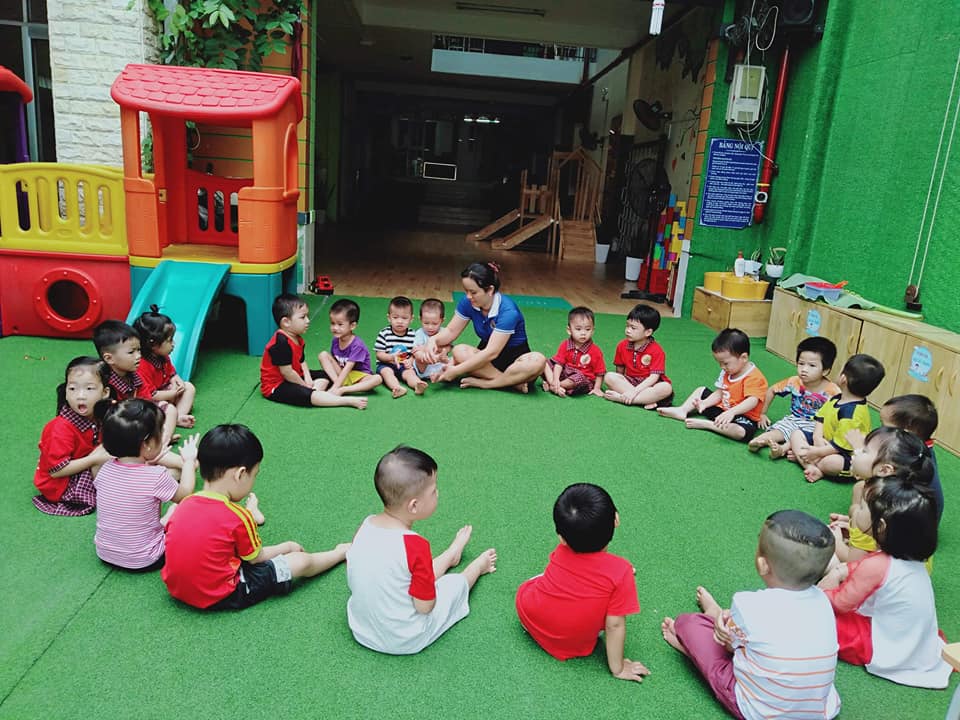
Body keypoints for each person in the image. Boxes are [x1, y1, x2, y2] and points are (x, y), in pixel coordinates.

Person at [661, 510, 840, 720]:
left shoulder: (748, 604)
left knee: (688, 624)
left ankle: (698, 644)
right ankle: (721, 619)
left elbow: (728, 647)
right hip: (820, 711)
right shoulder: (823, 600)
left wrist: (722, 628)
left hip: (760, 711)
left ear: (763, 564)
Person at [162, 424, 350, 609]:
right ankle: (338, 553)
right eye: (254, 475)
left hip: (177, 589)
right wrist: (288, 546)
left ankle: (255, 519)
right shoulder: (237, 516)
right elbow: (256, 558)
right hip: (223, 594)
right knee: (301, 562)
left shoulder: (184, 503)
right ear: (241, 474)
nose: (253, 481)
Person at [346, 446, 497, 655]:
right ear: (414, 506)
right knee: (451, 585)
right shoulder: (414, 546)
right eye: (433, 491)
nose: (438, 493)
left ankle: (450, 555)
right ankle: (477, 567)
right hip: (404, 639)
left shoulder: (365, 526)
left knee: (411, 575)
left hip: (362, 629)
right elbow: (424, 607)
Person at [819, 474, 950, 688]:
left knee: (823, 619)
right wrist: (844, 570)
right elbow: (863, 569)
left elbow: (841, 603)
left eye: (862, 508)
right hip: (914, 641)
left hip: (883, 646)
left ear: (880, 526)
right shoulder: (910, 559)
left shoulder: (877, 564)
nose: (855, 510)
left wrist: (822, 592)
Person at [515, 483, 649, 682]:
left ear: (561, 538)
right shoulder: (621, 571)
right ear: (616, 519)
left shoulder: (561, 551)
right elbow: (614, 625)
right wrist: (618, 668)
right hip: (572, 642)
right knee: (605, 599)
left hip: (527, 616)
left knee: (542, 579)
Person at [93, 399, 197, 571]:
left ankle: (165, 520)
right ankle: (167, 521)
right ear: (147, 444)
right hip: (146, 558)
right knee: (188, 517)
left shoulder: (105, 469)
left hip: (105, 552)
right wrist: (188, 462)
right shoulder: (156, 476)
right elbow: (185, 495)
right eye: (161, 432)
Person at [416, 262, 546, 392]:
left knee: (538, 361)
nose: (468, 296)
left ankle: (487, 384)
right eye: (466, 291)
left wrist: (455, 371)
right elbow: (450, 331)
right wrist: (433, 340)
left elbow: (492, 352)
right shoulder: (467, 302)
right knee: (459, 351)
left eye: (473, 292)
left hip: (514, 360)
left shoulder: (508, 312)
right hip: (486, 361)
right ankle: (510, 383)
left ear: (490, 290)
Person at [828, 427, 934, 566]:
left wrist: (834, 540)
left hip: (882, 576)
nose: (856, 452)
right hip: (908, 573)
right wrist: (852, 524)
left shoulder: (872, 506)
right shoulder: (900, 501)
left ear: (884, 470)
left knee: (824, 554)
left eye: (864, 451)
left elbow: (853, 564)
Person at [32, 356, 112, 516]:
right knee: (106, 453)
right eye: (73, 388)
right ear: (66, 392)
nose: (80, 395)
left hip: (82, 466)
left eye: (89, 389)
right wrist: (95, 459)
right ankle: (109, 496)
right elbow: (56, 471)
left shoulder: (100, 414)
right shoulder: (59, 428)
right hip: (60, 484)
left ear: (105, 392)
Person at [658, 328, 768, 442]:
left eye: (725, 363)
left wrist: (732, 412)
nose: (722, 367)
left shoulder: (754, 377)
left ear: (743, 358)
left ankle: (709, 425)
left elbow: (752, 401)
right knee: (701, 390)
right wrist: (705, 403)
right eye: (719, 363)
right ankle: (683, 410)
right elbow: (720, 392)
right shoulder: (728, 371)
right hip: (723, 410)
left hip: (742, 416)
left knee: (741, 432)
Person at [260, 293, 366, 410]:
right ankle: (343, 400)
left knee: (325, 374)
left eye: (307, 316)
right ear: (286, 322)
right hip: (277, 385)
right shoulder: (281, 342)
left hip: (296, 375)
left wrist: (308, 377)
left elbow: (302, 361)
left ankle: (319, 394)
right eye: (303, 317)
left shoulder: (297, 338)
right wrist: (304, 385)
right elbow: (287, 373)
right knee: (305, 394)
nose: (308, 320)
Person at [789, 353, 885, 482]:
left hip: (844, 453)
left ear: (843, 379)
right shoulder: (837, 397)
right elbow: (821, 417)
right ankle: (810, 465)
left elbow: (841, 447)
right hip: (826, 441)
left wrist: (817, 452)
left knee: (831, 462)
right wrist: (817, 437)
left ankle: (810, 462)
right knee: (796, 434)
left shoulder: (852, 414)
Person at [93, 319, 179, 452]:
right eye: (131, 352)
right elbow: (110, 420)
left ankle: (160, 442)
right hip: (119, 427)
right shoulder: (104, 384)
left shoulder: (135, 375)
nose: (138, 356)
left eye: (139, 350)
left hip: (137, 417)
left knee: (170, 410)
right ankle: (155, 445)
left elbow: (147, 402)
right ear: (109, 358)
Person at [748, 336, 839, 456]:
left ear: (825, 370)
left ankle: (782, 449)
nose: (804, 369)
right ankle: (760, 441)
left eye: (812, 366)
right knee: (779, 429)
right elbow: (772, 390)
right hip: (794, 419)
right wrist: (762, 413)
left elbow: (841, 413)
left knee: (800, 438)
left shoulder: (833, 391)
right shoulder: (794, 382)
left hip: (816, 426)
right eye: (801, 363)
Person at [133, 304, 196, 428]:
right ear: (152, 344)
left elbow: (172, 373)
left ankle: (178, 416)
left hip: (166, 392)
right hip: (150, 401)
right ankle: (173, 417)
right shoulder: (141, 366)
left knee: (189, 387)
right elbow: (151, 395)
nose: (173, 344)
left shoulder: (163, 356)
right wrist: (173, 394)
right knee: (166, 408)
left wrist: (177, 380)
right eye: (170, 340)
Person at [603, 304, 673, 408]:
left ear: (648, 332)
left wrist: (634, 392)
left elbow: (654, 377)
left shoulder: (657, 350)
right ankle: (645, 400)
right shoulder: (622, 345)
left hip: (650, 384)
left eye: (633, 328)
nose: (628, 330)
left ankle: (622, 398)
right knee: (609, 377)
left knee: (666, 388)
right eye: (627, 325)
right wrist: (618, 384)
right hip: (631, 381)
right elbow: (620, 370)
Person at [318, 298, 383, 395]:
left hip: (359, 376)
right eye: (332, 323)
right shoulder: (335, 340)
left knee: (377, 379)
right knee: (323, 355)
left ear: (352, 326)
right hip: (342, 373)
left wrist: (336, 388)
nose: (335, 328)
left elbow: (348, 367)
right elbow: (335, 362)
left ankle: (343, 389)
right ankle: (338, 384)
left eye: (340, 324)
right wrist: (337, 381)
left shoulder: (357, 345)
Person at [542, 306, 606, 397]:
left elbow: (600, 372)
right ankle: (554, 384)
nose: (583, 333)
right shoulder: (565, 344)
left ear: (592, 331)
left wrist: (597, 388)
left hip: (582, 380)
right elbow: (559, 364)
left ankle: (553, 386)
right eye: (578, 329)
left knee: (578, 378)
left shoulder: (595, 350)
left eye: (588, 329)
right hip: (565, 373)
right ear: (569, 330)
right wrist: (555, 379)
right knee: (544, 362)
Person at [374, 295, 424, 397]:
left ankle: (417, 384)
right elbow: (379, 354)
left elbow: (415, 352)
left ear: (411, 319)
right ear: (389, 318)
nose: (400, 321)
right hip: (386, 364)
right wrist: (391, 357)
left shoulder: (413, 335)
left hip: (404, 365)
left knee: (410, 373)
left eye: (404, 318)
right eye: (395, 317)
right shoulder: (384, 333)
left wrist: (411, 360)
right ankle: (397, 388)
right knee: (387, 373)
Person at [412, 298, 452, 384]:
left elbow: (449, 347)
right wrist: (432, 354)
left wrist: (443, 350)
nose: (430, 327)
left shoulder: (443, 332)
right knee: (419, 357)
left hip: (440, 366)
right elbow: (415, 351)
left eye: (434, 323)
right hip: (423, 367)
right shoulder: (419, 333)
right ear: (421, 319)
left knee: (454, 360)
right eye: (426, 323)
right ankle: (438, 360)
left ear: (442, 320)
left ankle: (438, 375)